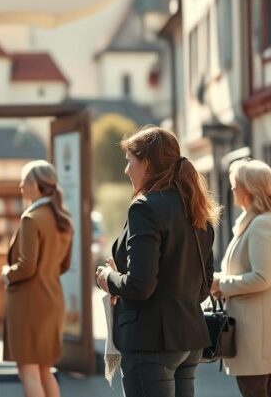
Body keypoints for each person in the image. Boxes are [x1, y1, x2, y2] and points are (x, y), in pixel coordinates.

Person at [95, 125, 218, 397]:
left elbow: (140, 285)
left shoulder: (145, 207)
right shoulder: (195, 206)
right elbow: (204, 284)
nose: (126, 170)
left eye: (130, 161)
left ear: (147, 163)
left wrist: (108, 279)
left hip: (150, 339)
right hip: (189, 338)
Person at [211, 159, 271, 397]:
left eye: (235, 184)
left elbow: (261, 277)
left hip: (257, 326)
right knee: (266, 391)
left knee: (255, 392)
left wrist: (220, 284)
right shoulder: (265, 221)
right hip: (261, 321)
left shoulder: (262, 224)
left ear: (250, 189)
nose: (233, 190)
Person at [1, 160, 73, 397]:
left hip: (29, 304)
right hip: (52, 300)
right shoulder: (62, 218)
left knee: (28, 371)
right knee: (44, 370)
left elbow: (26, 267)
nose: (21, 185)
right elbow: (64, 265)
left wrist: (7, 273)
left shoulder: (31, 218)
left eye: (25, 181)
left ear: (36, 185)